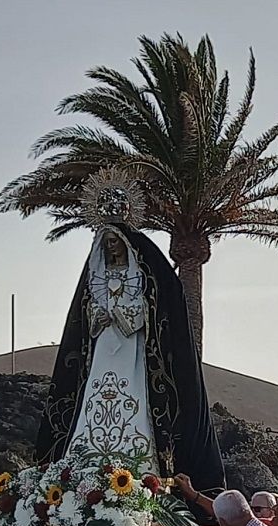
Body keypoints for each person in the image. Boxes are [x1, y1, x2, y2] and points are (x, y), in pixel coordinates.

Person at [35, 187, 223, 497]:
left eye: (116, 243)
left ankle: (139, 462)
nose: (112, 249)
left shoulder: (144, 272)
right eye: (107, 244)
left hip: (134, 349)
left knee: (134, 396)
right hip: (102, 347)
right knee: (93, 398)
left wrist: (126, 314)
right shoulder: (96, 274)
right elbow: (85, 314)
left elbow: (156, 306)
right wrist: (98, 314)